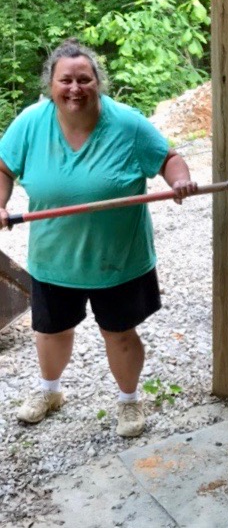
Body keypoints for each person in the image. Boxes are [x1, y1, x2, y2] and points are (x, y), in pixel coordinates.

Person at [0, 38, 198, 437]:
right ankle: (49, 392)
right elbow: (3, 169)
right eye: (66, 80)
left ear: (98, 83)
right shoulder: (29, 124)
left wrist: (180, 182)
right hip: (54, 258)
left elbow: (168, 159)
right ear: (51, 85)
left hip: (119, 260)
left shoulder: (127, 123)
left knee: (120, 333)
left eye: (84, 79)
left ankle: (128, 402)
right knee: (51, 331)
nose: (76, 88)